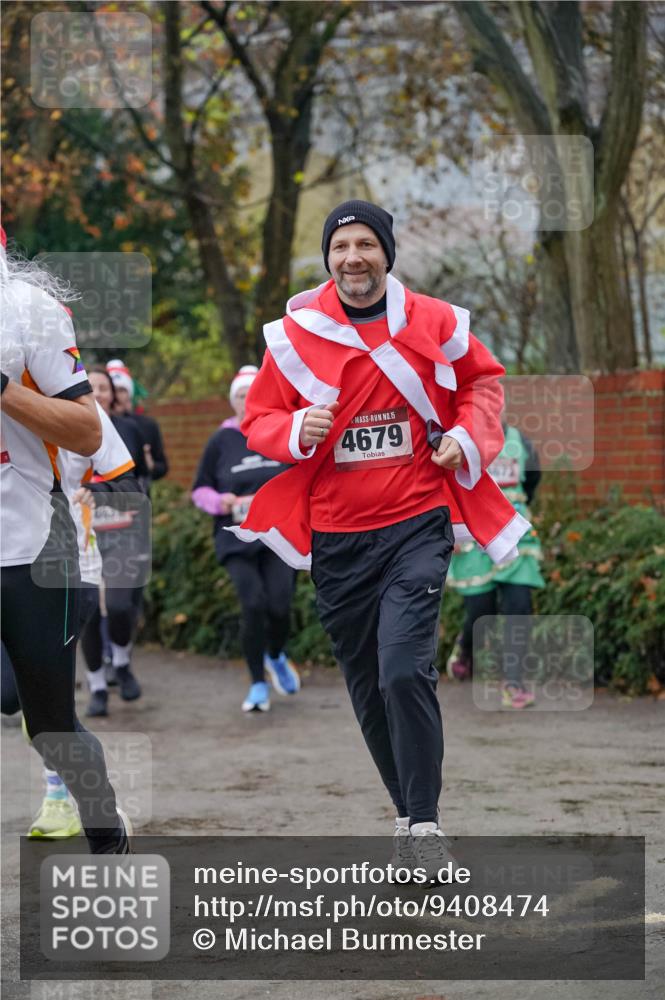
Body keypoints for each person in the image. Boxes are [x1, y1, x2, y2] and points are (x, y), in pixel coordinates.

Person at [231, 200, 530, 872]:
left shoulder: (435, 320)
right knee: (367, 684)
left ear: (386, 253)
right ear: (327, 259)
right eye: (340, 247)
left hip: (416, 524)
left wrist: (464, 436)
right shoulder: (295, 333)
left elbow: (483, 384)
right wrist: (292, 429)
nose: (352, 258)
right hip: (337, 538)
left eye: (366, 244)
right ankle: (406, 814)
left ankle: (426, 826)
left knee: (402, 669)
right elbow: (260, 418)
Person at [0, 225, 130, 853]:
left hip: (33, 548)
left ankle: (105, 830)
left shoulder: (28, 310)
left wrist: (2, 390)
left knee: (50, 725)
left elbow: (86, 431)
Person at [1, 403, 140, 835]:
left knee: (42, 705)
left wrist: (97, 493)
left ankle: (65, 799)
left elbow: (127, 482)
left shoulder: (75, 405)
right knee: (9, 697)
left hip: (66, 571)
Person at [192, 365, 300, 713]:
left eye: (253, 393)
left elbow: (300, 476)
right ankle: (257, 683)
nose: (247, 400)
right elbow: (200, 489)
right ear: (233, 401)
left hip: (277, 537)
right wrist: (219, 501)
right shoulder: (220, 440)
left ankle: (276, 655)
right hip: (236, 538)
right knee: (253, 604)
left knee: (280, 606)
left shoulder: (281, 429)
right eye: (241, 394)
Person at [446, 423, 545, 708]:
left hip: (514, 536)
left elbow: (532, 480)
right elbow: (442, 482)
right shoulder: (456, 439)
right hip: (472, 537)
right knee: (481, 610)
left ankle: (513, 683)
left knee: (519, 605)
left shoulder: (520, 442)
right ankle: (466, 648)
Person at [86, 366, 147, 701]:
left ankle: (122, 661)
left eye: (103, 387)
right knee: (89, 610)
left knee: (120, 605)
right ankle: (97, 684)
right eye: (90, 387)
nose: (96, 393)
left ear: (112, 394)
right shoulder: (65, 425)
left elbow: (140, 480)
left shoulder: (129, 430)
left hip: (123, 529)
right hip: (81, 533)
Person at [107, 358, 169, 494]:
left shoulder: (146, 425)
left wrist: (150, 465)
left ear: (129, 393)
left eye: (121, 390)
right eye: (113, 390)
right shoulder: (96, 424)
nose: (117, 396)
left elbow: (162, 467)